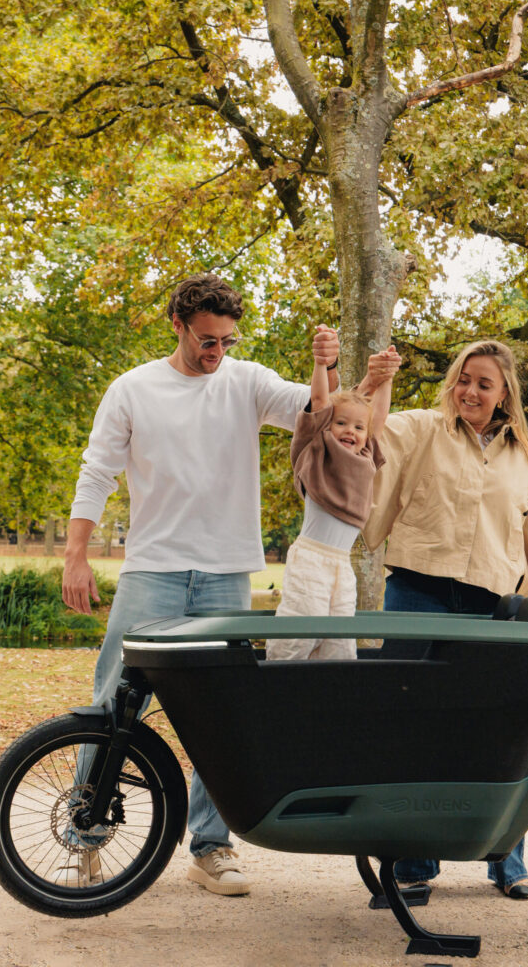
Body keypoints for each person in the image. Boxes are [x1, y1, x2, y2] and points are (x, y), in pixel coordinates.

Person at [61, 272, 340, 896]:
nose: (217, 352)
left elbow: (321, 409)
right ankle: (85, 837)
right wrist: (76, 556)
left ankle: (211, 847)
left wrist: (330, 365)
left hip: (224, 574)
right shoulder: (134, 388)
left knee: (221, 716)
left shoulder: (246, 381)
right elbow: (97, 472)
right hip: (152, 571)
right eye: (207, 340)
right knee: (112, 703)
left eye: (227, 340)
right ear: (180, 326)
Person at [361, 339, 528, 901]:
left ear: (505, 393)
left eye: (484, 383)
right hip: (417, 592)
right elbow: (362, 435)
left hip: (491, 606)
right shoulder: (420, 429)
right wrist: (369, 384)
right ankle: (414, 864)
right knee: (413, 729)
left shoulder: (522, 459)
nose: (470, 391)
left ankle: (505, 857)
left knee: (500, 732)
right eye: (464, 379)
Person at [265, 339, 398, 660]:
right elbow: (320, 399)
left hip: (342, 565)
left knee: (338, 650)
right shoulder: (315, 447)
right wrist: (321, 364)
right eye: (340, 423)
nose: (349, 430)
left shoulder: (366, 454)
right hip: (311, 560)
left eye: (356, 426)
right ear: (327, 425)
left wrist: (387, 378)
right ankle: (274, 695)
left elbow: (377, 417)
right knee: (296, 641)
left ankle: (326, 706)